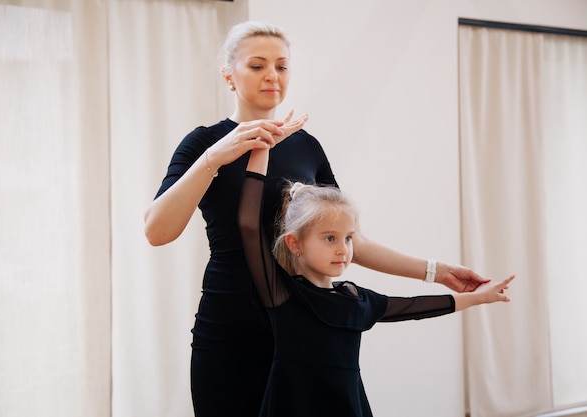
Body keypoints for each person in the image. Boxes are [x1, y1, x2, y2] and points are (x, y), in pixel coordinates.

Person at [144, 21, 491, 417]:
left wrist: (436, 271)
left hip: (307, 328)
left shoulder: (307, 146)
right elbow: (157, 231)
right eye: (257, 66)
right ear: (229, 74)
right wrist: (216, 157)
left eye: (281, 66)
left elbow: (348, 239)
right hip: (229, 327)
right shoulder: (204, 143)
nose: (272, 76)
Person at [238, 144, 515, 417]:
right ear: (294, 243)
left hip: (347, 404)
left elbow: (414, 307)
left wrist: (480, 296)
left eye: (348, 238)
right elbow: (249, 224)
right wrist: (263, 147)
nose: (343, 249)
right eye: (330, 238)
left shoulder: (356, 300)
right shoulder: (283, 295)